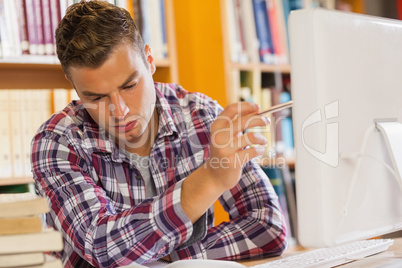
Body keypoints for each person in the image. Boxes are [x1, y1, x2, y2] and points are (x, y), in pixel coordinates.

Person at [31, 1, 287, 267]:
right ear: (72, 84)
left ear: (150, 60)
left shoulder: (201, 114)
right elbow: (101, 248)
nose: (120, 111)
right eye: (95, 97)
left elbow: (268, 227)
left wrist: (159, 255)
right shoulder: (56, 141)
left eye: (129, 85)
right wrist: (208, 180)